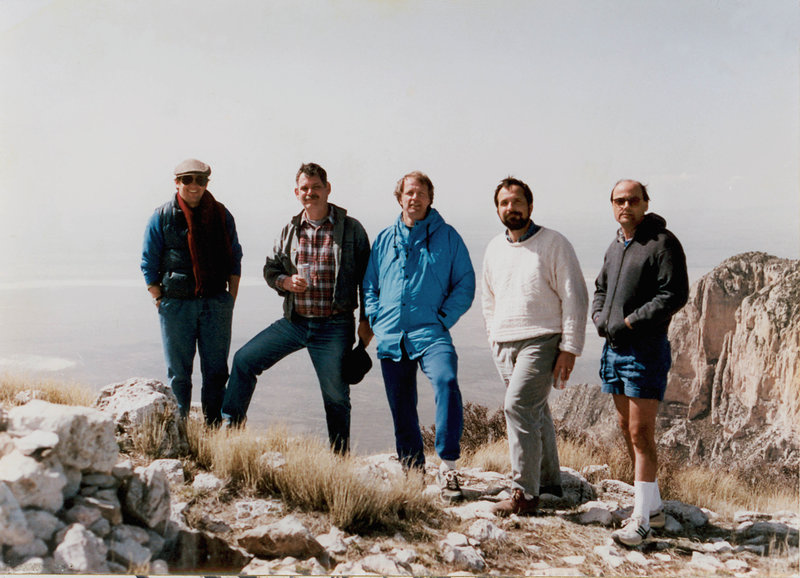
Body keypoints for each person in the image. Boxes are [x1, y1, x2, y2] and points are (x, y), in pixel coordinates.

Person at [221, 162, 370, 454]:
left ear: (328, 189)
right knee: (244, 360)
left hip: (334, 325)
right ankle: (230, 433)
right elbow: (270, 268)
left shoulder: (351, 229)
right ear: (296, 192)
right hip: (295, 321)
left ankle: (339, 461)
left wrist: (365, 331)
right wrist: (285, 282)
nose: (310, 193)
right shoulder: (290, 229)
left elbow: (369, 284)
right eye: (305, 188)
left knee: (336, 396)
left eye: (316, 187)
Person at [363, 170, 475, 502]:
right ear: (400, 198)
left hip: (431, 332)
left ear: (430, 199)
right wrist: (376, 317)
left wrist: (442, 318)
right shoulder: (384, 239)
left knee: (446, 380)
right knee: (401, 406)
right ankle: (412, 471)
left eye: (421, 193)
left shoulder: (449, 237)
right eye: (409, 193)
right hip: (391, 335)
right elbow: (370, 285)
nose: (415, 198)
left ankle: (449, 466)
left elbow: (465, 284)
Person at [481, 177, 588, 516]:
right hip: (505, 342)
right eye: (504, 203)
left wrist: (570, 347)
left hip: (542, 339)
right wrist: (493, 336)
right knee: (536, 410)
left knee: (517, 407)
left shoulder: (553, 242)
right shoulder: (494, 248)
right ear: (497, 209)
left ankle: (524, 494)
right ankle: (549, 483)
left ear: (530, 205)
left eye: (516, 201)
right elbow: (488, 299)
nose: (510, 208)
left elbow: (575, 297)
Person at [593, 179, 689, 546]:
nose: (626, 205)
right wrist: (599, 317)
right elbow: (601, 288)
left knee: (641, 433)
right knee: (625, 428)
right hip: (613, 351)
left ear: (646, 202)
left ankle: (641, 521)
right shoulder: (616, 245)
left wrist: (631, 321)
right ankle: (655, 509)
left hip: (645, 351)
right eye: (619, 200)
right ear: (612, 205)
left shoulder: (662, 243)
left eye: (633, 199)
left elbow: (675, 293)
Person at [141, 158, 243, 426]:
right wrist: (159, 299)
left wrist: (229, 300)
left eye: (201, 180)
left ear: (207, 182)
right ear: (177, 182)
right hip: (176, 306)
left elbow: (235, 259)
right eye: (187, 179)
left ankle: (213, 429)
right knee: (179, 374)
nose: (194, 186)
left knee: (216, 372)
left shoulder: (221, 214)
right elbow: (148, 262)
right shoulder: (161, 216)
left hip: (215, 304)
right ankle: (179, 430)